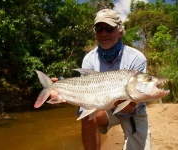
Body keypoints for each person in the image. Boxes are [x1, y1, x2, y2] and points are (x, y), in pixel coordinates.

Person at [51, 9, 151, 150]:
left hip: (134, 112)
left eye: (109, 29)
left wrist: (128, 104)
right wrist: (64, 93)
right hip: (106, 109)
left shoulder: (136, 58)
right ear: (95, 33)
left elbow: (138, 99)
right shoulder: (89, 59)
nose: (104, 33)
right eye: (99, 29)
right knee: (85, 115)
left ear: (120, 32)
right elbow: (85, 94)